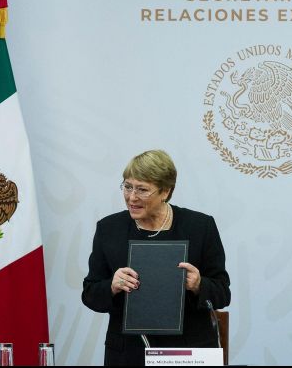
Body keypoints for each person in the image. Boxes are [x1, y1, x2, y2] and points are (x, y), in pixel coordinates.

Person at [82, 150, 231, 365]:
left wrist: (199, 284)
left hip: (188, 354)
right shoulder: (109, 229)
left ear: (165, 191)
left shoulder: (200, 227)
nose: (132, 197)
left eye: (142, 189)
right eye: (127, 186)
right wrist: (112, 286)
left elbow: (222, 294)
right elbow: (90, 294)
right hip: (128, 354)